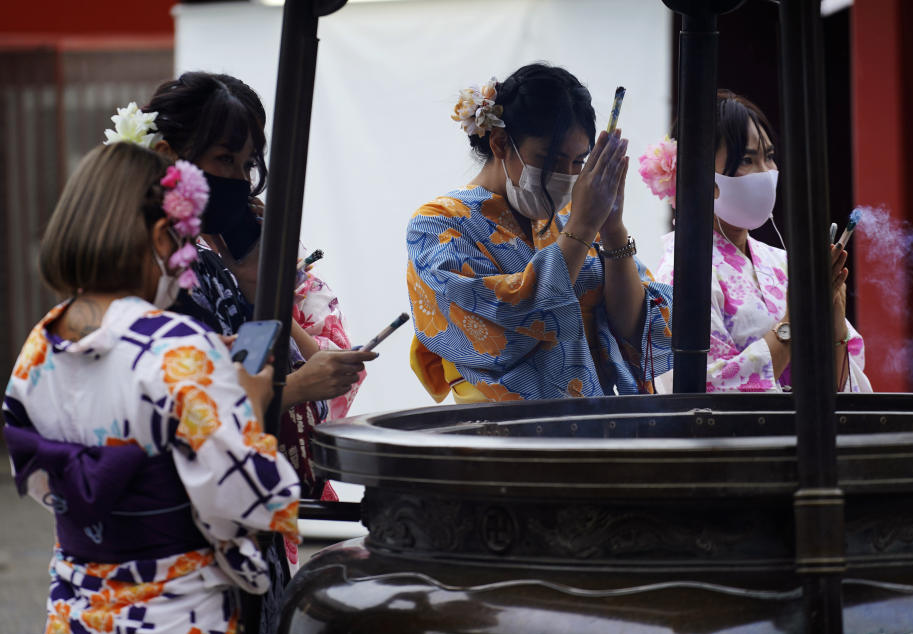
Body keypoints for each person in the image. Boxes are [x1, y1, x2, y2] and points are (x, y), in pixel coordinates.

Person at [3, 142, 301, 634]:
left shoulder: (41, 342)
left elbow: (40, 481)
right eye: (184, 248)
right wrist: (249, 398)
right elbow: (247, 500)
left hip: (76, 609)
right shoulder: (181, 346)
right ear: (163, 238)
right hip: (171, 613)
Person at [142, 72, 375, 497]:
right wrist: (298, 387)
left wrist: (253, 280)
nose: (240, 179)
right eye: (224, 159)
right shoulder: (150, 259)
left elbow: (246, 363)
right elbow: (178, 403)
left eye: (247, 164)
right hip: (181, 510)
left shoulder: (219, 253)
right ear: (169, 155)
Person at [407, 63, 674, 402]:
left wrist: (612, 228)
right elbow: (501, 334)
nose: (565, 174)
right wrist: (582, 228)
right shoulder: (438, 223)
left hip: (602, 424)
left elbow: (640, 330)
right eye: (550, 159)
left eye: (579, 162)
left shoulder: (576, 216)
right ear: (501, 142)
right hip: (501, 432)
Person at [646, 90, 870, 392]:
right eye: (748, 159)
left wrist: (834, 316)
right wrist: (793, 323)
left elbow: (842, 387)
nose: (766, 173)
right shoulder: (680, 273)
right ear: (699, 174)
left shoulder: (782, 263)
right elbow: (706, 387)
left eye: (769, 157)